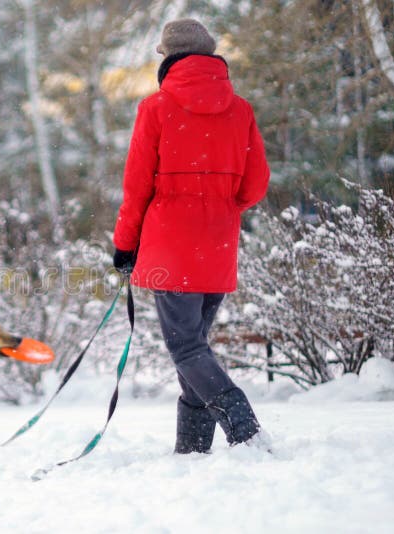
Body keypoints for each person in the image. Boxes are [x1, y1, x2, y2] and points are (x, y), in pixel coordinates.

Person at [112, 19, 270, 454]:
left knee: (186, 348)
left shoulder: (155, 108)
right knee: (194, 346)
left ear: (168, 59)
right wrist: (219, 207)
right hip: (218, 243)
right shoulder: (241, 110)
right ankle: (192, 448)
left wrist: (125, 243)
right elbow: (256, 185)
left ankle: (245, 430)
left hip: (169, 244)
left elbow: (137, 187)